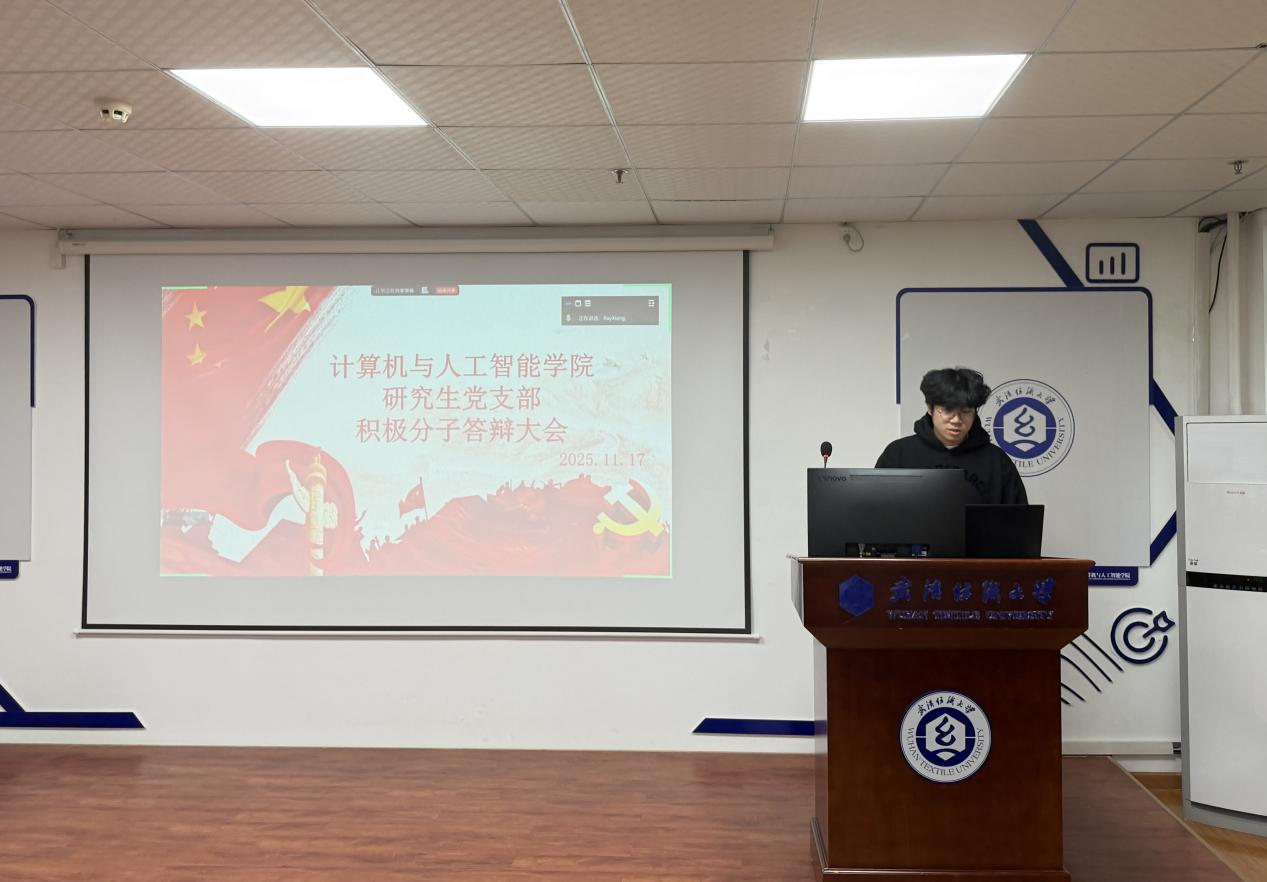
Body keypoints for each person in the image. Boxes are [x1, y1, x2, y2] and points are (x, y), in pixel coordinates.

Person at [876, 367, 1027, 505]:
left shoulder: (996, 461)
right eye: (948, 410)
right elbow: (877, 511)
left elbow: (1019, 518)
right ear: (930, 408)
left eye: (966, 411)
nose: (956, 420)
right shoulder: (899, 454)